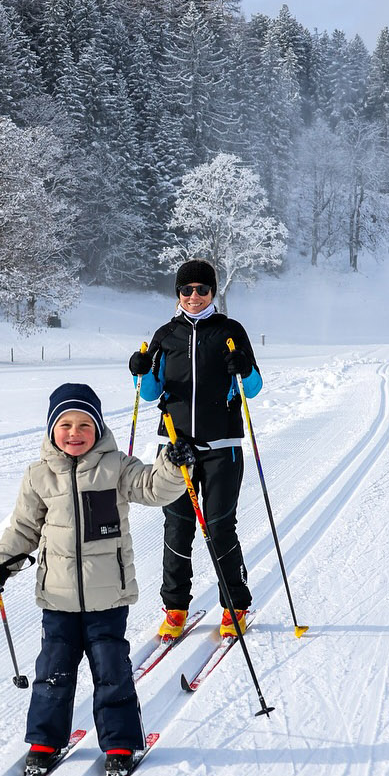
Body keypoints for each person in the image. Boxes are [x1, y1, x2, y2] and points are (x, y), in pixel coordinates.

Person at [0, 383, 190, 776]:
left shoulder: (116, 467)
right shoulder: (38, 476)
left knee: (111, 670)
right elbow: (24, 529)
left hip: (107, 597)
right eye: (65, 424)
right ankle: (45, 741)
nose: (74, 433)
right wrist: (1, 565)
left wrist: (173, 464)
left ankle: (119, 743)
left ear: (98, 428)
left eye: (84, 424)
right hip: (58, 598)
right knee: (52, 671)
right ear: (51, 430)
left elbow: (156, 488)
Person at [128, 259, 261, 640]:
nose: (194, 297)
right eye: (186, 290)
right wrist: (140, 368)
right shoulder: (165, 334)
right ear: (177, 294)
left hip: (223, 447)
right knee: (177, 528)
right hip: (175, 449)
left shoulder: (230, 331)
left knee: (220, 527)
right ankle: (175, 608)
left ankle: (235, 605)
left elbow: (253, 388)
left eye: (202, 289)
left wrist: (244, 367)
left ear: (213, 292)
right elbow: (150, 392)